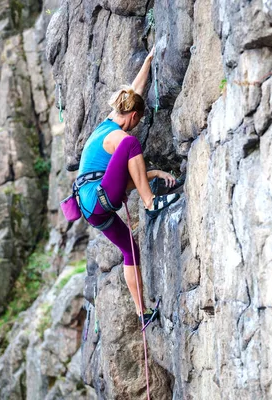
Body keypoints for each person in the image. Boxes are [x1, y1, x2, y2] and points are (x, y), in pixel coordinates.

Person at [76, 47, 180, 326]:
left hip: (93, 207)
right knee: (131, 145)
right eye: (138, 120)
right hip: (97, 199)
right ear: (133, 116)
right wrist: (150, 180)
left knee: (130, 249)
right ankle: (150, 203)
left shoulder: (106, 126)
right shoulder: (117, 136)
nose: (136, 126)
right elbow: (122, 172)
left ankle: (141, 312)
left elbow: (134, 91)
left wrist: (147, 61)